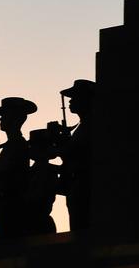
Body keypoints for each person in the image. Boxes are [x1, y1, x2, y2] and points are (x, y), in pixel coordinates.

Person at [0, 97, 37, 241]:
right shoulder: (11, 145)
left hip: (13, 205)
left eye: (5, 115)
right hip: (5, 204)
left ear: (15, 118)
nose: (0, 119)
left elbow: (3, 169)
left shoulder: (17, 144)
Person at [59, 79, 95, 230]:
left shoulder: (92, 125)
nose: (71, 101)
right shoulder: (83, 126)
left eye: (76, 97)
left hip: (86, 184)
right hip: (77, 184)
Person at [25, 128, 59, 236]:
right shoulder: (33, 170)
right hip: (34, 222)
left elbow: (38, 196)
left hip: (39, 222)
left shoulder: (47, 171)